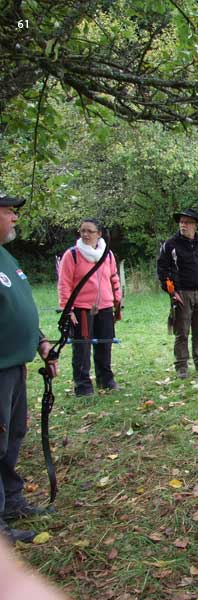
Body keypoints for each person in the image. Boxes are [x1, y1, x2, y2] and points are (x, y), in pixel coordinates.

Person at [0, 192, 58, 544]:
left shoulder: (6, 256)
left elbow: (18, 307)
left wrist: (41, 343)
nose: (15, 217)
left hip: (14, 366)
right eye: (8, 212)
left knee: (12, 435)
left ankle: (11, 502)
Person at [57, 218, 122, 397]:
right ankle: (83, 386)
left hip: (105, 306)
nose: (85, 234)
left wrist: (117, 302)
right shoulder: (72, 255)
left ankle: (106, 380)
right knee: (82, 348)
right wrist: (67, 309)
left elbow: (114, 277)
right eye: (82, 231)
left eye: (89, 231)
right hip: (82, 308)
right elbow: (64, 283)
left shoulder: (107, 254)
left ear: (99, 234)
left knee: (105, 344)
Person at [156, 208, 198, 379]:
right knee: (182, 332)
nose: (183, 225)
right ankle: (181, 366)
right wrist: (171, 291)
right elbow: (162, 270)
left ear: (195, 225)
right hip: (182, 293)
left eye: (187, 222)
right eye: (181, 222)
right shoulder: (170, 244)